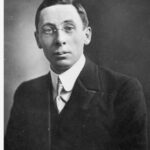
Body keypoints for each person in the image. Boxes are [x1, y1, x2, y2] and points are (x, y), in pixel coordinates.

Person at [5, 0, 148, 149]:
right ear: (38, 39)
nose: (60, 40)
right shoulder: (26, 93)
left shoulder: (123, 91)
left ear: (87, 35)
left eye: (68, 28)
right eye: (48, 30)